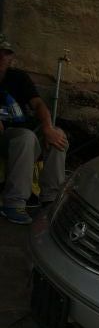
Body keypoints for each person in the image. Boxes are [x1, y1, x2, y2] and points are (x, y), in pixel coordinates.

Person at [0, 34, 68, 225]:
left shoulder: (18, 77)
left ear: (11, 57)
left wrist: (47, 127)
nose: (1, 57)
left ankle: (50, 199)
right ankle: (13, 203)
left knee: (58, 135)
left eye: (6, 53)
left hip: (22, 135)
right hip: (7, 137)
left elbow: (38, 104)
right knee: (25, 137)